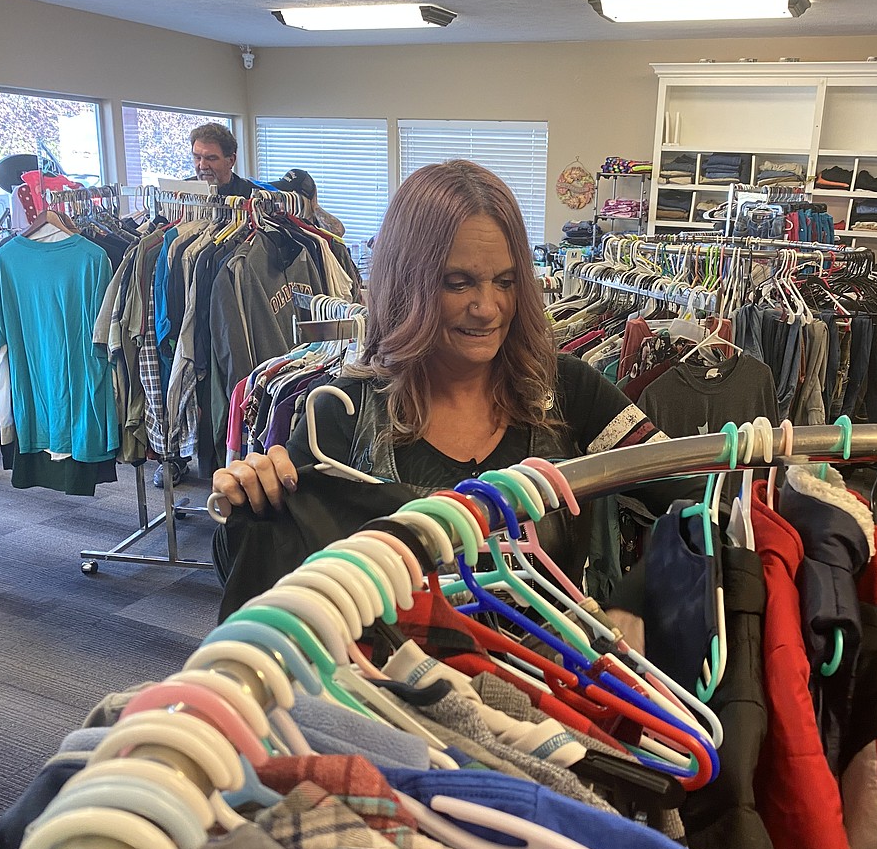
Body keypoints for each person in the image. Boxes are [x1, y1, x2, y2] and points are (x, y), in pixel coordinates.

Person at [212, 160, 685, 580]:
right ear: (406, 284)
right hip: (399, 679)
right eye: (457, 283)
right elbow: (264, 575)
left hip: (552, 675)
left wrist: (634, 605)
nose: (487, 307)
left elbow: (696, 498)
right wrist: (248, 499)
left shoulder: (567, 389)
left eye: (505, 281)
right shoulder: (345, 413)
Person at [188, 123, 253, 198]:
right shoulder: (180, 192)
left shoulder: (256, 197)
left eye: (211, 158)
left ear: (231, 160)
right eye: (197, 157)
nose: (202, 166)